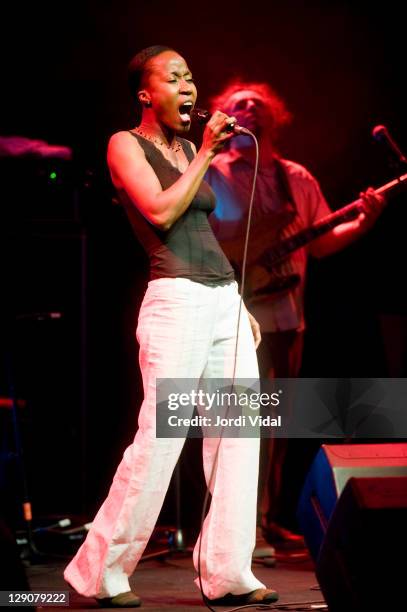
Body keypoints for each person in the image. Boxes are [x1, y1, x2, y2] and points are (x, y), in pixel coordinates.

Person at [63, 48, 278, 608]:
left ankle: (228, 572)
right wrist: (208, 154)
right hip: (175, 300)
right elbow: (160, 213)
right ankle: (100, 571)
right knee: (160, 438)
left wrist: (239, 302)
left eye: (191, 76)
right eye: (175, 77)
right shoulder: (124, 144)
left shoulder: (187, 147)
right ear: (145, 93)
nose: (189, 86)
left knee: (238, 437)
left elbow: (204, 229)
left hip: (222, 298)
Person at [205, 80, 386, 548]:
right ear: (226, 117)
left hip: (287, 318)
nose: (250, 110)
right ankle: (227, 527)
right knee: (234, 422)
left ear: (275, 119)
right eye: (239, 104)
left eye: (259, 105)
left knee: (273, 425)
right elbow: (200, 244)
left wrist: (364, 221)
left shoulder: (296, 177)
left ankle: (263, 523)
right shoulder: (211, 174)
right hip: (234, 315)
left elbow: (322, 242)